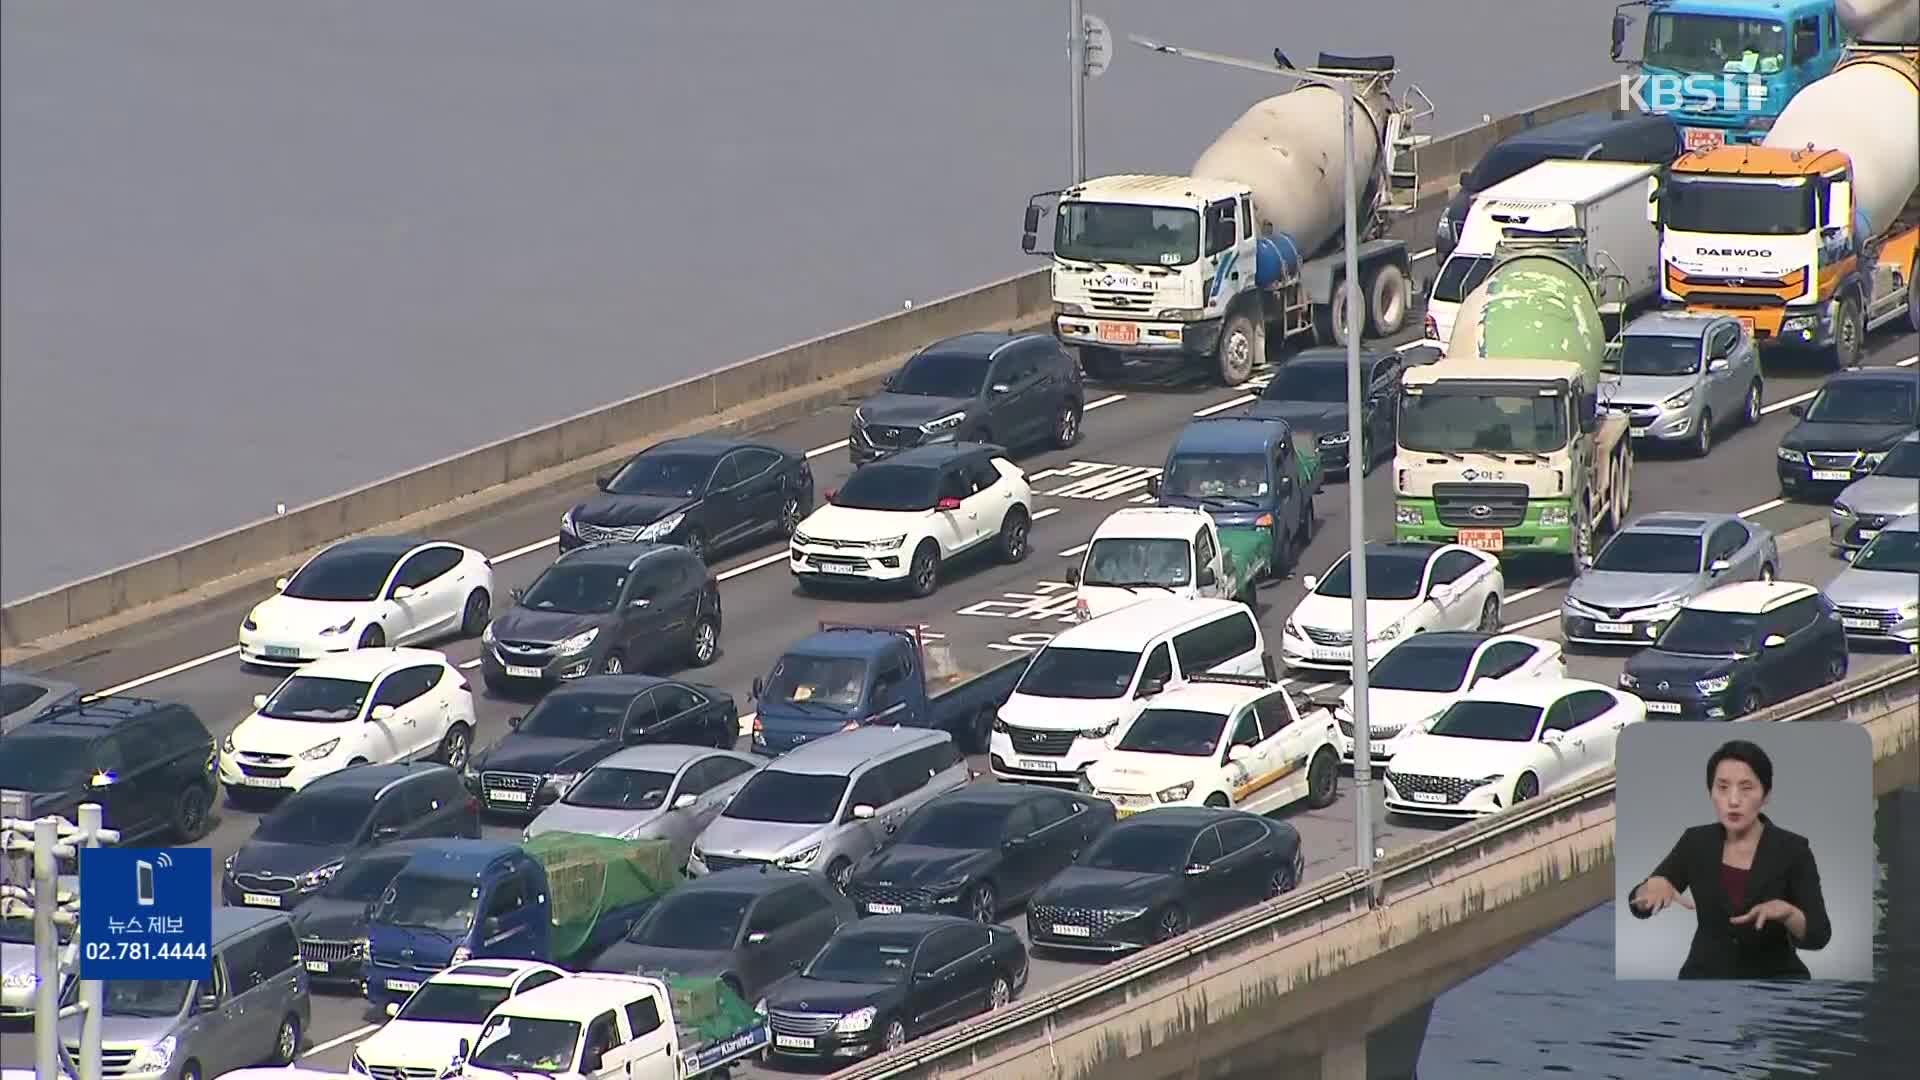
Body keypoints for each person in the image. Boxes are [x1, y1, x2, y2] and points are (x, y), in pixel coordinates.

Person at [1626, 738, 1832, 979]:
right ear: (1711, 792)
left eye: (1746, 788)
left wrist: (1787, 913)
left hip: (1775, 985)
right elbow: (1640, 905)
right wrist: (1647, 891)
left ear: (1766, 796)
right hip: (1703, 982)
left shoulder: (1793, 850)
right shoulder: (1696, 842)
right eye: (1722, 788)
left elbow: (1819, 936)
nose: (1733, 801)